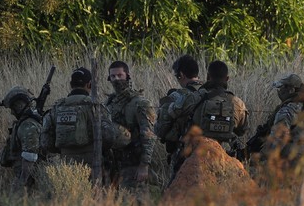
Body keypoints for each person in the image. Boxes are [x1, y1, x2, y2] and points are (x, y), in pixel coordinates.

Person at [163, 60, 248, 179]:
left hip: (194, 157)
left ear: (208, 77)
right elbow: (242, 130)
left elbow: (172, 111)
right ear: (227, 79)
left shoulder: (195, 97)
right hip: (224, 158)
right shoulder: (238, 103)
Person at [41, 67, 130, 180]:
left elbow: (45, 142)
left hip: (66, 165)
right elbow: (109, 136)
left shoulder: (57, 108)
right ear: (90, 85)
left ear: (70, 84)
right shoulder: (95, 107)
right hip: (92, 165)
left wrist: (65, 150)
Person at [104, 60, 157, 191]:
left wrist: (144, 165)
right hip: (114, 165)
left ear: (128, 76)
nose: (116, 79)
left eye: (119, 75)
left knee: (135, 204)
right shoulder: (109, 104)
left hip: (134, 164)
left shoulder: (140, 103)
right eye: (113, 76)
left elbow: (149, 136)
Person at [155, 54, 203, 166]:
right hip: (210, 152)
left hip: (183, 155)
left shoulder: (177, 97)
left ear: (181, 75)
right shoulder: (209, 93)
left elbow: (160, 130)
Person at [248, 73, 304, 159]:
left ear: (291, 90)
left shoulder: (287, 110)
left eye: (281, 88)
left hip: (291, 160)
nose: (279, 91)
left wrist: (263, 158)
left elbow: (278, 138)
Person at [0, 86, 43, 191]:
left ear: (19, 106)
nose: (12, 112)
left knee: (17, 202)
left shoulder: (28, 126)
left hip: (32, 179)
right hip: (29, 177)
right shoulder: (24, 123)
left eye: (13, 108)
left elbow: (30, 158)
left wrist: (22, 182)